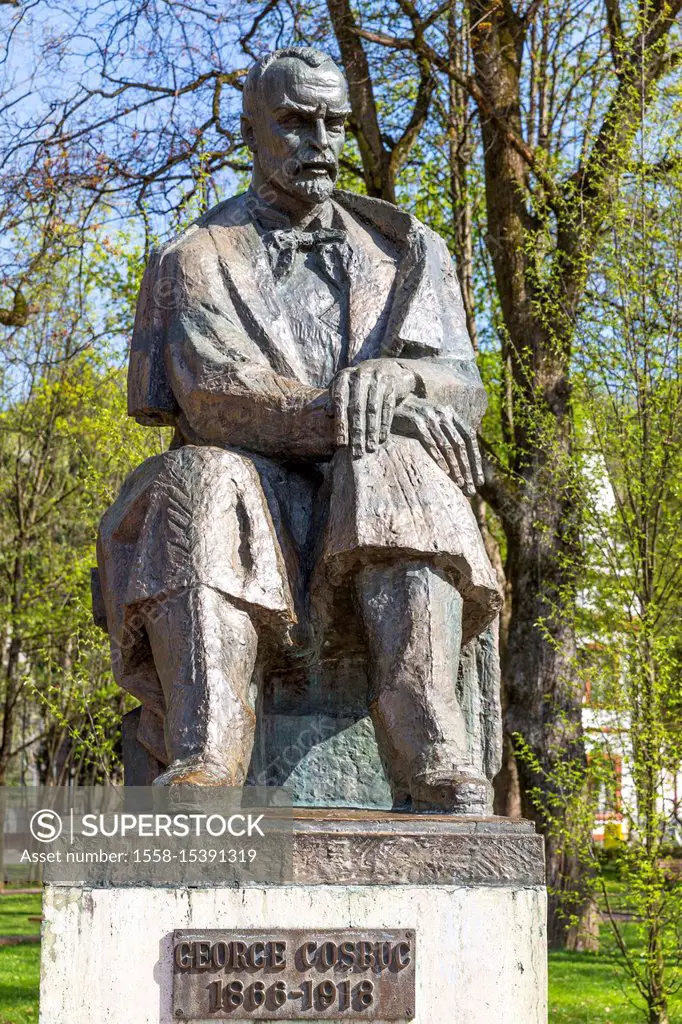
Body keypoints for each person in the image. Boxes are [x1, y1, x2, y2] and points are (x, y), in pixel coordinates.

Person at [97, 46, 503, 813]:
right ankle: (208, 748)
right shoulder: (194, 259)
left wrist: (403, 380)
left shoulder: (407, 250)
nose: (321, 143)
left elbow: (462, 382)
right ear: (251, 129)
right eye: (296, 122)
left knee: (392, 458)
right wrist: (357, 410)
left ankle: (428, 743)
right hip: (249, 500)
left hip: (378, 505)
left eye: (334, 123)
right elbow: (219, 399)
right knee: (202, 476)